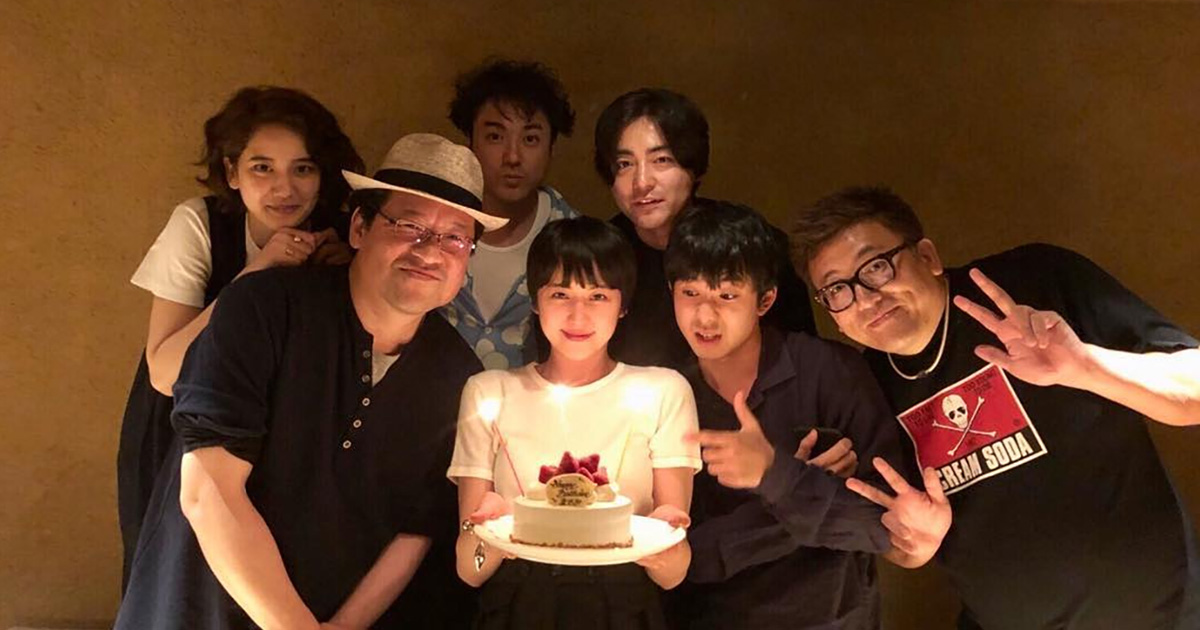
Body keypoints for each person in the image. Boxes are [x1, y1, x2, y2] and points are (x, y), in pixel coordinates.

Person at [115, 133, 508, 630]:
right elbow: (208, 488)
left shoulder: (455, 372)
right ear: (360, 227)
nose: (430, 251)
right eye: (409, 225)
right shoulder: (263, 309)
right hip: (199, 609)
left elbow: (416, 528)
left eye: (455, 238)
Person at [792, 186, 1200, 630]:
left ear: (927, 256)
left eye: (876, 267)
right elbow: (905, 543)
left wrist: (1086, 366)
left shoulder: (1033, 285)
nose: (866, 297)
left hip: (1159, 612)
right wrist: (916, 542)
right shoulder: (863, 387)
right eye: (837, 289)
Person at [116, 85, 363, 588]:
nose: (284, 188)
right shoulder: (200, 224)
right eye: (262, 167)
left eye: (303, 168)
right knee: (174, 580)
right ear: (232, 172)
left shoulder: (341, 236)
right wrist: (258, 271)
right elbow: (164, 372)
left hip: (288, 440)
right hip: (183, 432)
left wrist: (346, 275)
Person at [662, 200, 946, 629]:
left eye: (727, 295)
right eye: (690, 293)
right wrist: (802, 486)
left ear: (765, 300)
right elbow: (684, 558)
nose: (705, 315)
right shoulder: (669, 396)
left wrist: (776, 476)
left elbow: (886, 525)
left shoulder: (830, 371)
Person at [449, 216, 701, 629]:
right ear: (535, 300)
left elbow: (672, 575)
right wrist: (488, 532)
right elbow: (470, 569)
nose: (578, 315)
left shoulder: (663, 392)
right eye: (560, 294)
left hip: (622, 606)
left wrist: (665, 542)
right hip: (517, 605)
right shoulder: (489, 393)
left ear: (623, 305)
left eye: (598, 296)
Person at [592, 88, 816, 368]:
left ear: (694, 166)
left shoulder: (750, 244)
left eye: (662, 160)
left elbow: (801, 362)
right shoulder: (600, 256)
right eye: (624, 164)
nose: (642, 182)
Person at [441, 58, 580, 369]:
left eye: (530, 139)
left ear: (551, 148)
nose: (513, 157)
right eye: (495, 136)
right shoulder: (435, 228)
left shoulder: (575, 240)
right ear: (470, 143)